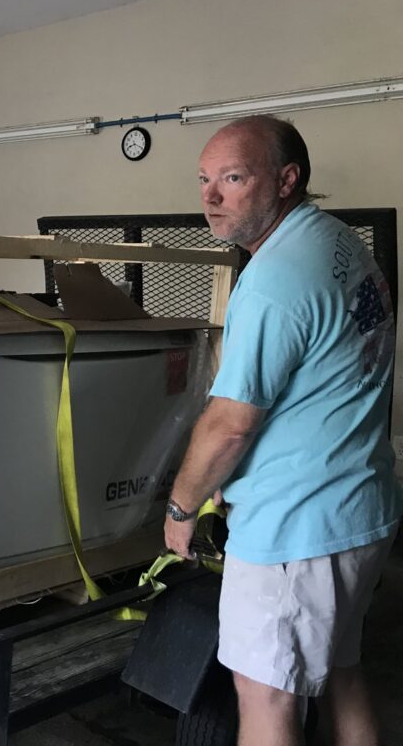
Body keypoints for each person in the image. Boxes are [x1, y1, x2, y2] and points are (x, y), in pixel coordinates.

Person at [163, 116, 401, 746]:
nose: (210, 197)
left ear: (287, 180)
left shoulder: (273, 280)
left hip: (295, 530)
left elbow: (230, 424)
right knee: (341, 672)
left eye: (233, 178)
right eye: (205, 180)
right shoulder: (339, 243)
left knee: (266, 699)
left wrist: (182, 505)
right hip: (360, 509)